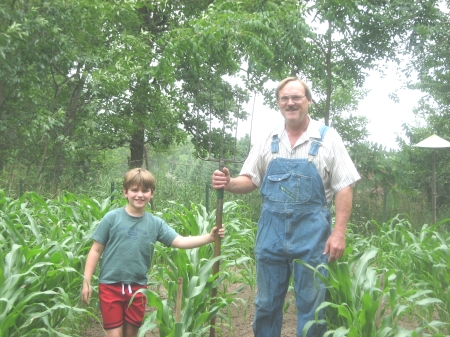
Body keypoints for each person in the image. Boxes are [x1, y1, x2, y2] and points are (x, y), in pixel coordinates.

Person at [212, 77, 360, 337]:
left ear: (308, 101)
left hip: (312, 236)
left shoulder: (328, 138)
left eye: (296, 98)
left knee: (312, 306)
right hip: (271, 233)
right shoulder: (268, 138)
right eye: (284, 98)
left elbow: (344, 186)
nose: (290, 103)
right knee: (266, 304)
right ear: (279, 103)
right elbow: (250, 180)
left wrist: (339, 232)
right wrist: (229, 183)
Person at [82, 168, 225, 337]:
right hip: (110, 285)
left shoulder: (155, 223)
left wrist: (209, 238)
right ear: (125, 192)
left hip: (137, 288)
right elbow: (96, 250)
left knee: (131, 334)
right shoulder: (112, 218)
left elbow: (180, 241)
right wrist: (87, 281)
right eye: (134, 190)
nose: (139, 195)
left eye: (145, 190)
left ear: (152, 194)